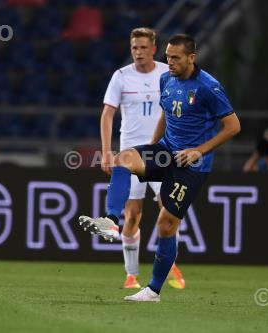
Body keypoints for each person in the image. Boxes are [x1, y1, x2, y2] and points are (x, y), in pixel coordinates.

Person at [79, 33, 241, 302]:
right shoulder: (166, 79)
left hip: (191, 166)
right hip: (165, 151)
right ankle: (110, 220)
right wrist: (151, 148)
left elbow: (233, 126)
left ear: (192, 57)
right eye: (167, 57)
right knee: (123, 159)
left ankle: (153, 290)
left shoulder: (208, 87)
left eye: (175, 58)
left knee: (166, 224)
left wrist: (198, 151)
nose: (170, 62)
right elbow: (166, 112)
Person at [100, 27, 185, 290]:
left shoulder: (166, 74)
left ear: (154, 49)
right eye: (134, 48)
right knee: (133, 215)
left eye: (143, 47)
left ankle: (169, 263)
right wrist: (106, 151)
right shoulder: (121, 77)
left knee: (168, 209)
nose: (138, 52)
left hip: (161, 152)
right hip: (131, 154)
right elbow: (107, 115)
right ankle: (131, 274)